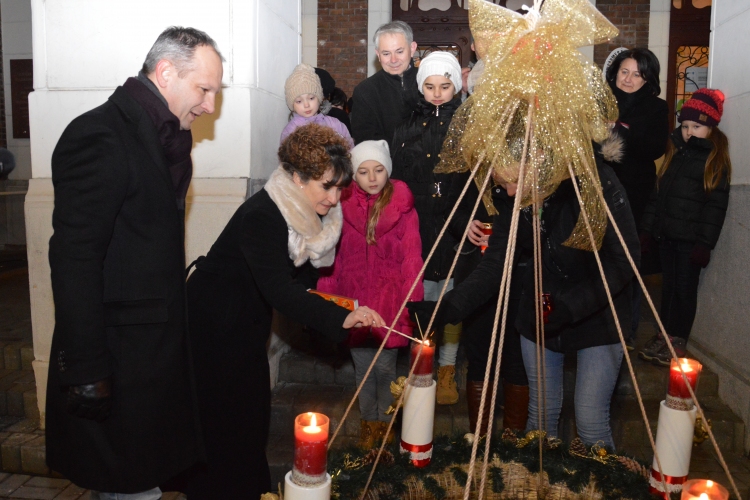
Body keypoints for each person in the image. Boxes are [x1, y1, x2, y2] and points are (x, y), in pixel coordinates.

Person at [46, 27, 223, 499]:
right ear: (165, 73)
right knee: (130, 488)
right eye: (203, 89)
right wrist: (84, 367)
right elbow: (74, 257)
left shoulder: (162, 135)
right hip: (117, 362)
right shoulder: (99, 134)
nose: (209, 105)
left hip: (150, 359)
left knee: (141, 483)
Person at [184, 124, 386, 498]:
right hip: (214, 329)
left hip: (243, 327)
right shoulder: (264, 214)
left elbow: (302, 285)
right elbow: (281, 290)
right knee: (227, 428)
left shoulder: (305, 220)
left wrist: (346, 305)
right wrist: (339, 317)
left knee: (249, 422)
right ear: (296, 177)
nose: (334, 197)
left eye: (340, 187)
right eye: (327, 186)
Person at [410, 149, 639, 449]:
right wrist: (448, 307)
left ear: (542, 159)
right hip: (542, 309)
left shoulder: (594, 182)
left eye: (515, 180)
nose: (510, 191)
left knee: (590, 418)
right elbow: (495, 265)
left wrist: (570, 307)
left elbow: (623, 262)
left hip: (599, 312)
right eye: (502, 183)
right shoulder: (516, 197)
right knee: (540, 422)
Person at [317, 140, 423, 449]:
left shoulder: (403, 208)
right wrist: (328, 305)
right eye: (363, 171)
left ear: (388, 170)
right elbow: (330, 261)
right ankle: (369, 428)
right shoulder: (339, 205)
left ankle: (386, 427)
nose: (372, 178)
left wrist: (411, 306)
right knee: (362, 370)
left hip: (390, 305)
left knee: (387, 369)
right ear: (354, 174)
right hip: (354, 303)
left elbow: (412, 261)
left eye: (378, 170)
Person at [391, 51, 471, 406]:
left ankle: (448, 368)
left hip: (455, 218)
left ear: (455, 85)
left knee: (452, 293)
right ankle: (422, 363)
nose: (437, 93)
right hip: (418, 219)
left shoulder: (467, 123)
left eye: (444, 85)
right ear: (421, 86)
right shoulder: (407, 124)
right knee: (423, 291)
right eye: (430, 86)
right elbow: (397, 174)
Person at [639, 88, 731, 366]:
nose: (690, 132)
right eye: (686, 126)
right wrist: (647, 230)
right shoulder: (676, 156)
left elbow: (716, 207)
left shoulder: (714, 162)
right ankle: (663, 335)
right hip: (667, 237)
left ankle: (677, 341)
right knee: (668, 290)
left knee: (683, 290)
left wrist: (704, 244)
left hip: (690, 242)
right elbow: (658, 196)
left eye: (697, 126)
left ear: (711, 128)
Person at [603, 48, 669, 349]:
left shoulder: (656, 108)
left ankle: (624, 336)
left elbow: (654, 147)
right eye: (624, 71)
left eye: (637, 74)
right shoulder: (600, 102)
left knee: (627, 264)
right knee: (596, 264)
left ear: (648, 79)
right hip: (597, 192)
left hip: (633, 198)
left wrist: (618, 130)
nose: (628, 79)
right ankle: (596, 330)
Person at [350, 20, 420, 146]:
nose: (393, 60)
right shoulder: (365, 91)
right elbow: (365, 139)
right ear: (378, 54)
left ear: (412, 48)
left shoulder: (428, 83)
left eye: (399, 51)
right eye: (386, 53)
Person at [280, 63, 353, 147]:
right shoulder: (290, 131)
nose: (306, 105)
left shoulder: (335, 124)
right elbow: (286, 157)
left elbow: (349, 149)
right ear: (292, 105)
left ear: (320, 98)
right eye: (299, 101)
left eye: (311, 98)